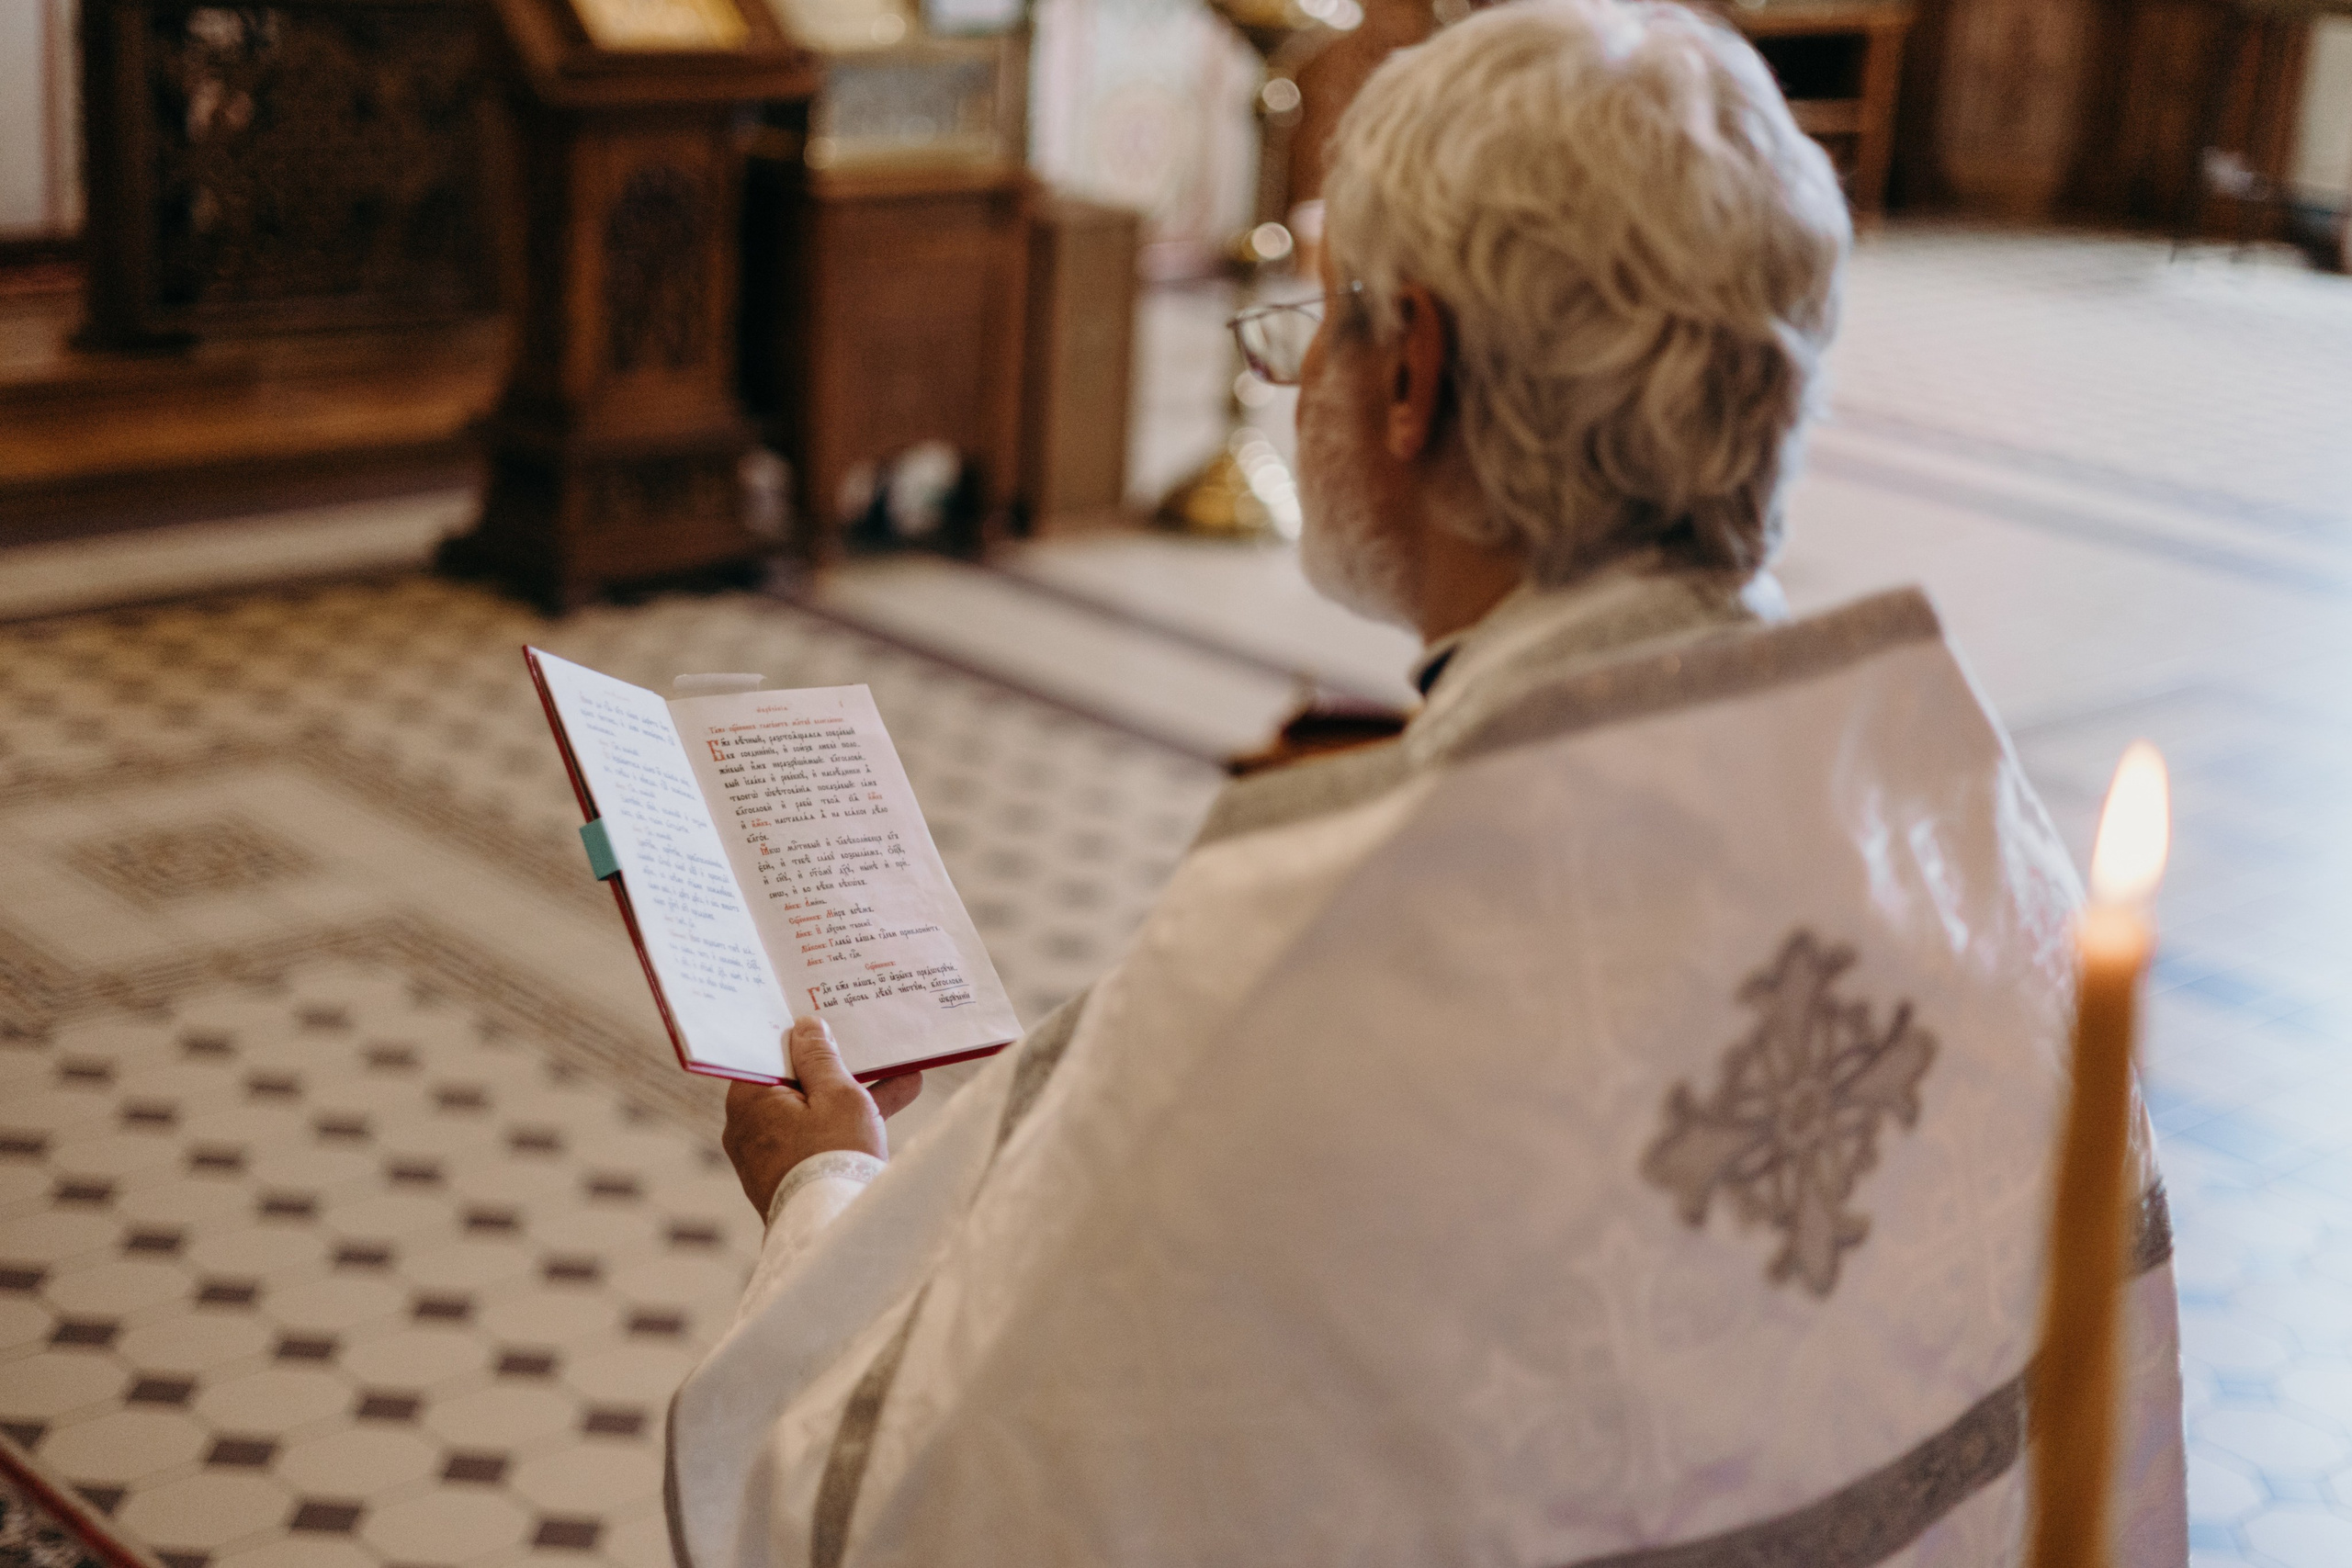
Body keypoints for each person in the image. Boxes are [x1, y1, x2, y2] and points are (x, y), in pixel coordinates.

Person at [668, 3, 2188, 1563]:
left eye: (1328, 318)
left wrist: (826, 1198)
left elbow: (904, 1500)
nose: (1307, 366)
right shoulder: (1973, 848)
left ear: (1414, 377)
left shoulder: (1323, 962)